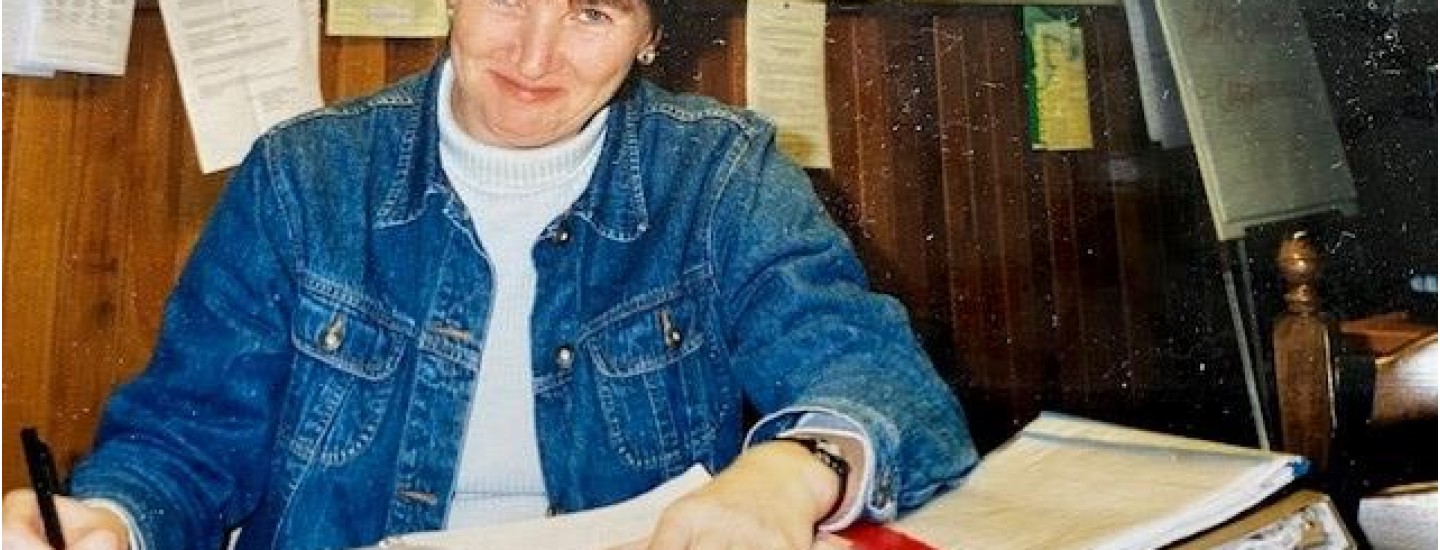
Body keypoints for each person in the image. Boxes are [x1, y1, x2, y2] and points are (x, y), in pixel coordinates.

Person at [2, 0, 977, 547]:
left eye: (592, 10)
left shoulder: (720, 174)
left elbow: (876, 377)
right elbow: (187, 437)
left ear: (650, 33)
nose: (535, 54)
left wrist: (793, 470)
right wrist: (112, 519)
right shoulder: (304, 176)